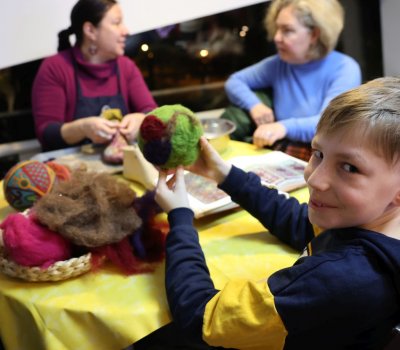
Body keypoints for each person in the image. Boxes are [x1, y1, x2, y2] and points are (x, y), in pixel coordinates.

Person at [155, 77, 400, 349]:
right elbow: (301, 223)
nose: (315, 180)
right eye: (318, 153)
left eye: (350, 168)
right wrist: (222, 174)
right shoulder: (370, 221)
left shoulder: (338, 279)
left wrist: (179, 218)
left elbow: (201, 318)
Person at [223, 0, 361, 161]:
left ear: (314, 35)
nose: (276, 38)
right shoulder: (277, 64)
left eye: (287, 30)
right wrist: (255, 105)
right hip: (284, 149)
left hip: (323, 155)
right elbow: (234, 81)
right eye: (277, 29)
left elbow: (328, 125)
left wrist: (282, 127)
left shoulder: (344, 68)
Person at [32, 0, 157, 151]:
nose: (126, 31)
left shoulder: (126, 67)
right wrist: (82, 128)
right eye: (117, 23)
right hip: (71, 168)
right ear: (90, 30)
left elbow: (152, 111)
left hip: (121, 164)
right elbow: (47, 134)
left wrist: (141, 120)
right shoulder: (55, 68)